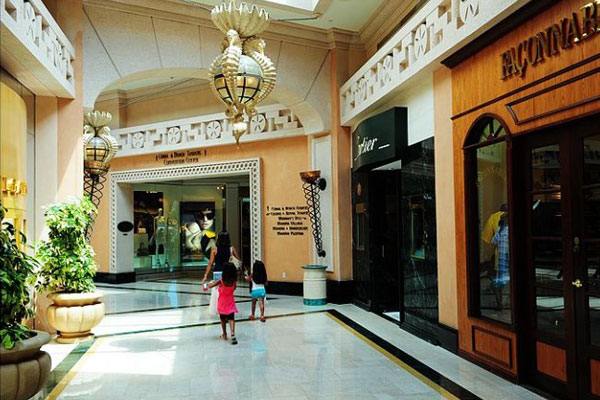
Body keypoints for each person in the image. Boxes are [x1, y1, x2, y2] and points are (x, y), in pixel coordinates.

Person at [206, 262, 239, 344]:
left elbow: (210, 286)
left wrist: (206, 284)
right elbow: (234, 288)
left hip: (222, 302)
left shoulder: (221, 281)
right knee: (231, 318)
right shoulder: (234, 282)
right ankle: (232, 332)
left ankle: (224, 334)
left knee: (223, 318)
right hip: (230, 301)